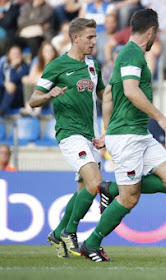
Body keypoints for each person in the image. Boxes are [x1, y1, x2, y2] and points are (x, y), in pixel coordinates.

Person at [82, 8, 166, 262]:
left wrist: (106, 131)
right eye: (155, 34)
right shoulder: (130, 53)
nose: (154, 39)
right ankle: (91, 243)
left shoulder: (130, 55)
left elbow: (107, 97)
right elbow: (129, 90)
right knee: (130, 198)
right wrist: (160, 118)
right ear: (151, 32)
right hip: (127, 136)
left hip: (137, 134)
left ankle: (111, 187)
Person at [28, 18, 109, 259]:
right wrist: (48, 94)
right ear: (75, 38)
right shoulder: (57, 65)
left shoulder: (94, 65)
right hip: (69, 132)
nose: (94, 41)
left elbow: (105, 95)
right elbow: (33, 99)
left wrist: (110, 127)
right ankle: (69, 232)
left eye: (95, 37)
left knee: (84, 190)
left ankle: (56, 233)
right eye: (90, 37)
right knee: (95, 183)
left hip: (91, 134)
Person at [21, 41, 58, 117]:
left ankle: (37, 111)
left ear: (54, 52)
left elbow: (50, 81)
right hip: (37, 96)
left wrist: (37, 80)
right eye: (46, 51)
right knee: (29, 84)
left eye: (51, 50)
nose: (49, 52)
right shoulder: (37, 63)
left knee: (41, 85)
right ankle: (29, 109)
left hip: (50, 96)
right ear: (42, 53)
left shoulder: (57, 64)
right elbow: (29, 79)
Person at [0, 45, 29, 116]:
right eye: (13, 53)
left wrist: (13, 67)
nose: (16, 56)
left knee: (11, 87)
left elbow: (13, 80)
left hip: (17, 96)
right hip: (3, 95)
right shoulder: (4, 65)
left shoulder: (24, 67)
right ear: (8, 55)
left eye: (18, 53)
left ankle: (1, 111)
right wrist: (5, 84)